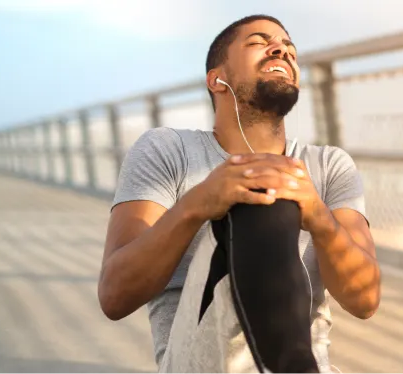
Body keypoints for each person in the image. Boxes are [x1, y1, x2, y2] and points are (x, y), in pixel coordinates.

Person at [97, 14, 381, 374]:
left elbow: (365, 301)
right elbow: (114, 295)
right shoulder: (167, 149)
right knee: (260, 187)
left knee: (269, 183)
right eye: (259, 42)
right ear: (218, 79)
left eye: (289, 49)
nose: (282, 50)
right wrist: (199, 203)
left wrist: (318, 217)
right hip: (201, 361)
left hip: (312, 359)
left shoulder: (329, 164)